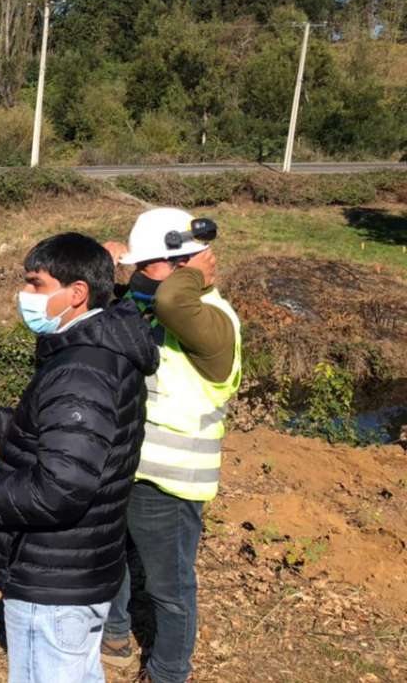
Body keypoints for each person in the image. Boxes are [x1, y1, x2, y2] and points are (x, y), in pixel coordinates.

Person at [0, 233, 158, 683]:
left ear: (76, 294)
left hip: (55, 577)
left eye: (36, 285)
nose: (25, 296)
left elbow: (60, 488)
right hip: (76, 565)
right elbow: (71, 439)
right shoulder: (99, 353)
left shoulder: (81, 370)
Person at [100, 208, 242, 683]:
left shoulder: (213, 320)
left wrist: (193, 268)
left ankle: (168, 672)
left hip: (171, 480)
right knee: (110, 558)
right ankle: (115, 637)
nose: (138, 274)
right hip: (125, 464)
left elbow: (174, 303)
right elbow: (123, 297)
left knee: (169, 587)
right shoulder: (149, 301)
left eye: (148, 266)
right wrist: (109, 265)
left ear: (182, 267)